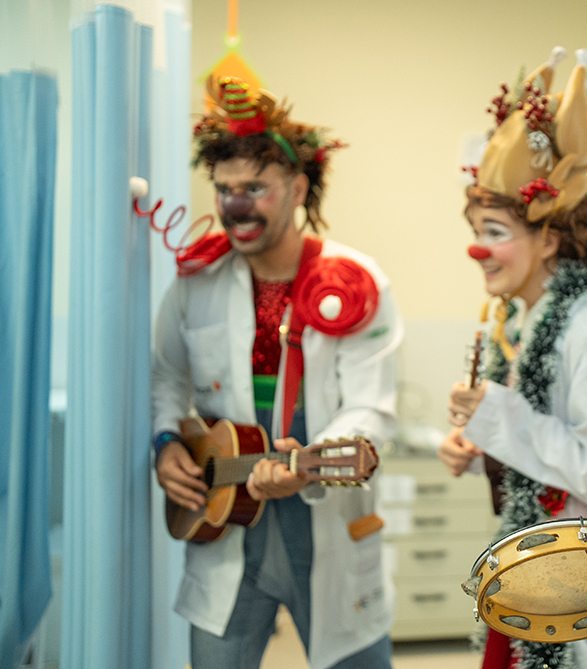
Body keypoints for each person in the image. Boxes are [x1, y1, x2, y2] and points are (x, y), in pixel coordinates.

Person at [151, 77, 402, 669]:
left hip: (326, 514)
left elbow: (372, 405)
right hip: (226, 528)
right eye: (224, 189)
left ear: (297, 187)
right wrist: (165, 444)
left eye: (255, 188)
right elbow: (165, 376)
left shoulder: (358, 283)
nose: (235, 205)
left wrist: (313, 459)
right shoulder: (194, 284)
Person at [439, 47, 587, 669]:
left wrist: (497, 418)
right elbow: (538, 433)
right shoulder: (517, 317)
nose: (477, 252)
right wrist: (477, 443)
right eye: (477, 232)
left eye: (495, 234)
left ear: (550, 239)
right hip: (536, 562)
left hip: (584, 582)